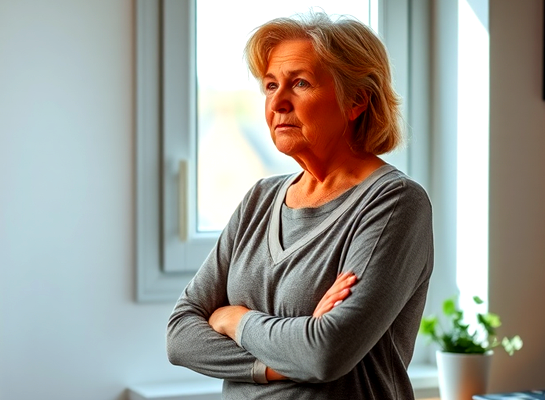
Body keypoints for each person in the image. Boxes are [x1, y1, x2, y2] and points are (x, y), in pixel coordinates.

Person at [166, 11, 434, 400]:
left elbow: (324, 353)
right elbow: (180, 336)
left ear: (357, 100)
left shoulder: (394, 203)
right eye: (271, 85)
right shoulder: (259, 199)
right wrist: (277, 362)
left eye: (300, 83)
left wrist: (233, 318)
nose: (278, 102)